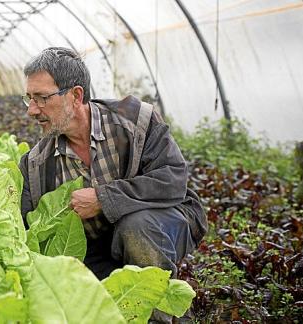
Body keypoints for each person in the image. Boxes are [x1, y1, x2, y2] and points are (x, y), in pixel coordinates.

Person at [18, 47, 208, 281]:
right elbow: (28, 232)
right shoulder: (36, 165)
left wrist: (102, 198)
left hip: (160, 224)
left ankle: (158, 312)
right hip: (96, 250)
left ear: (76, 96)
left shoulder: (135, 121)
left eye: (42, 98)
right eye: (29, 98)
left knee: (136, 226)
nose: (32, 110)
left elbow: (172, 180)